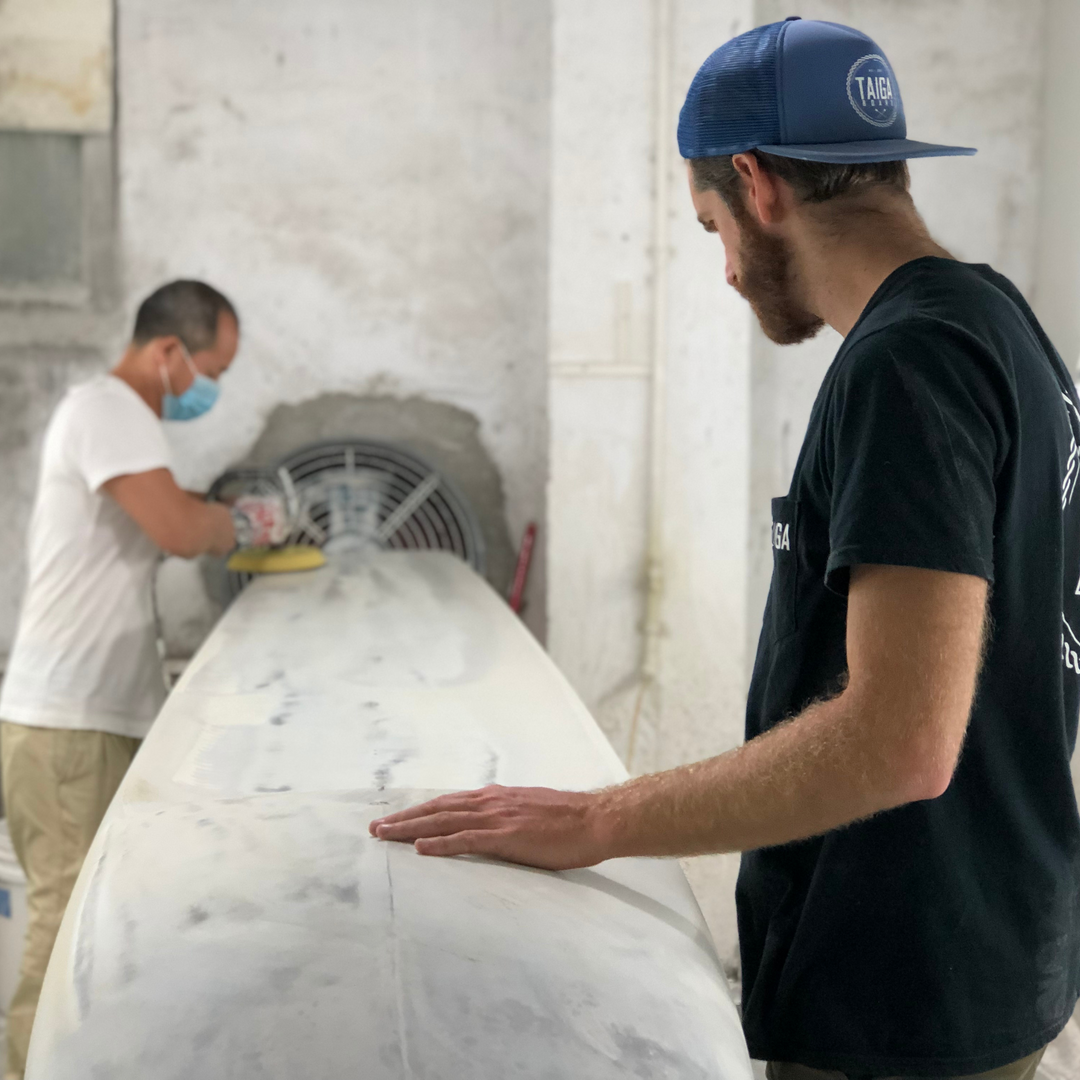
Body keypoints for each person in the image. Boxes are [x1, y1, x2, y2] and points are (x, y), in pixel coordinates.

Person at [370, 19, 1080, 1080]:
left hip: (901, 999)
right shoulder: (997, 323)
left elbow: (902, 739)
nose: (729, 272)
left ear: (755, 183)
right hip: (992, 947)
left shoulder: (906, 364)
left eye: (711, 228)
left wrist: (598, 820)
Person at [0, 280, 287, 1079]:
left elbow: (167, 507)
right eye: (211, 372)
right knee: (63, 936)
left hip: (91, 719)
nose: (211, 389)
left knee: (102, 929)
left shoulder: (117, 422)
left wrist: (218, 511)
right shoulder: (109, 409)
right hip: (67, 725)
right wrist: (249, 523)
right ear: (167, 352)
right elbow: (179, 529)